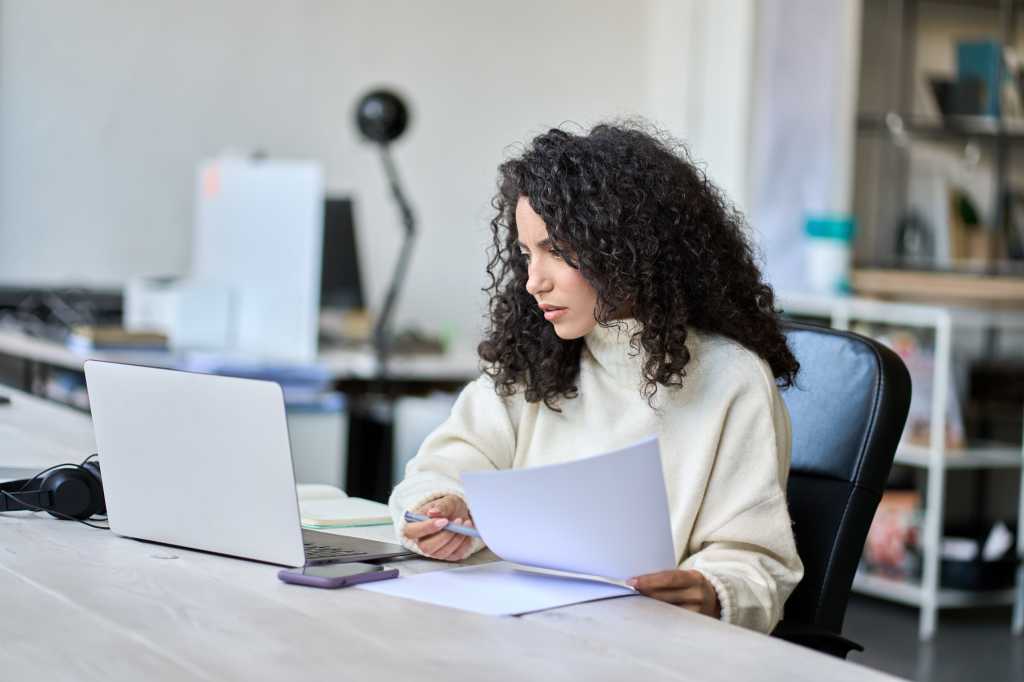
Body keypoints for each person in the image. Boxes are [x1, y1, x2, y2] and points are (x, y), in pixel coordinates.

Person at [388, 121, 804, 634]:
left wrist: (715, 592)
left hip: (648, 650)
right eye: (525, 254)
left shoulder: (732, 380)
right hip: (522, 636)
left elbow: (755, 562)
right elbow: (439, 470)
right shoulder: (537, 359)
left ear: (628, 248)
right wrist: (439, 509)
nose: (534, 280)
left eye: (558, 251)